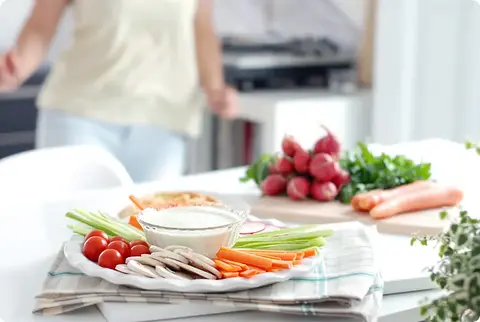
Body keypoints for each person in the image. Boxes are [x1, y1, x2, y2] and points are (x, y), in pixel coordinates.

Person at [0, 0, 237, 183]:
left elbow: (202, 26)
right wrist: (18, 67)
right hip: (80, 115)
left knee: (148, 237)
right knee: (67, 230)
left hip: (164, 122)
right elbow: (40, 26)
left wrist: (215, 87)